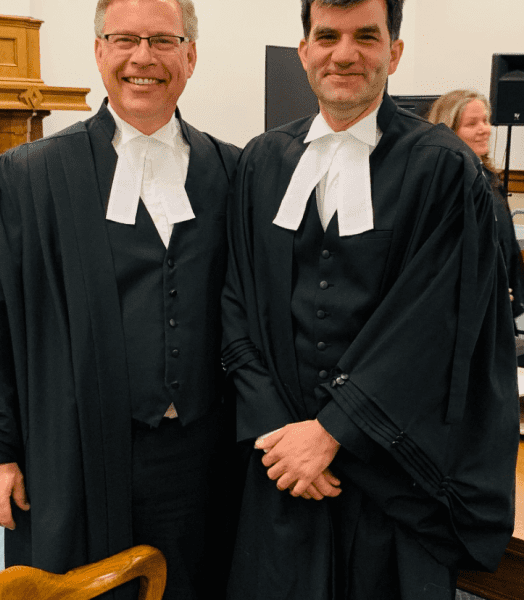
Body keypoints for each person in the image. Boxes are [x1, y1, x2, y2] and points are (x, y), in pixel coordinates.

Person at [222, 1, 519, 599]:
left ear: (395, 52)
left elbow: (436, 323)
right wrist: (282, 433)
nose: (344, 54)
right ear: (304, 51)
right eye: (326, 36)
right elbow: (237, 305)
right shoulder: (262, 161)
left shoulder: (443, 168)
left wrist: (332, 432)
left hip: (391, 472)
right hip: (284, 468)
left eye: (366, 36)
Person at [0, 1, 239, 599]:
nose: (143, 58)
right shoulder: (28, 177)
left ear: (190, 56)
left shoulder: (231, 171)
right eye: (124, 39)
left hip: (204, 451)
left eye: (163, 41)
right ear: (100, 51)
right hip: (74, 448)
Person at [428, 89, 524, 320]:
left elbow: (504, 244)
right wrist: (485, 288)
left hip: (499, 301)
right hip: (466, 308)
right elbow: (440, 258)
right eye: (472, 124)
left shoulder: (489, 178)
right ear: (449, 131)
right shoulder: (444, 186)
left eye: (486, 121)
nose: (484, 129)